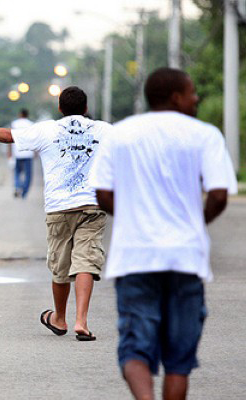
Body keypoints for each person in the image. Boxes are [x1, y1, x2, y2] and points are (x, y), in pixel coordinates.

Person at [89, 68, 237, 400]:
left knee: (135, 350)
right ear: (175, 97)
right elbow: (218, 195)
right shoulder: (205, 134)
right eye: (192, 92)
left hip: (135, 256)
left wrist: (132, 219)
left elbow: (102, 192)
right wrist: (193, 224)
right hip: (185, 257)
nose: (196, 98)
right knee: (178, 360)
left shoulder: (121, 134)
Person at [0, 86, 112, 341]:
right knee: (86, 261)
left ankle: (59, 318)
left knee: (60, 267)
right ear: (85, 109)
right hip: (92, 206)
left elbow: (7, 136)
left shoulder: (47, 129)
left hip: (59, 208)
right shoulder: (104, 130)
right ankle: (81, 321)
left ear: (60, 108)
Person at [9, 109, 34, 198]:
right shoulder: (31, 124)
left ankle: (17, 186)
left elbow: (9, 138)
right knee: (28, 174)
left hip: (17, 152)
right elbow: (34, 139)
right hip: (28, 153)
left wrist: (9, 152)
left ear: (20, 114)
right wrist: (35, 153)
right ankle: (24, 192)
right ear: (27, 115)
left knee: (17, 172)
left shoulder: (15, 124)